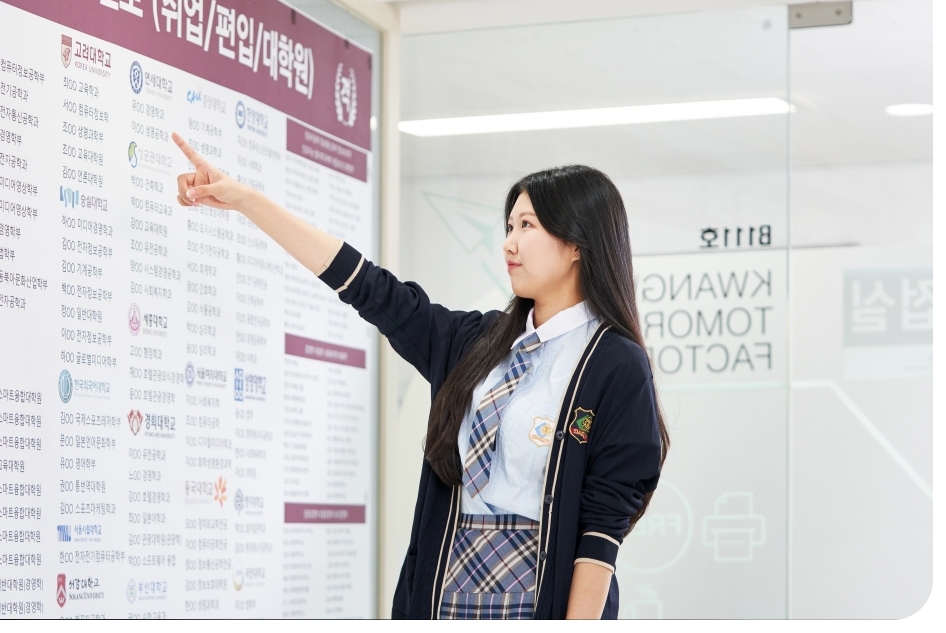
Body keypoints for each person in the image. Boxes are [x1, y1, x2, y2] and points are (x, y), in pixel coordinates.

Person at [171, 132, 667, 620]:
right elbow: (368, 286)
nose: (509, 243)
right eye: (509, 226)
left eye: (527, 226)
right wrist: (247, 202)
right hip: (442, 595)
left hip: (539, 602)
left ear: (576, 243)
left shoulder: (615, 363)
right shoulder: (472, 343)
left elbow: (601, 530)